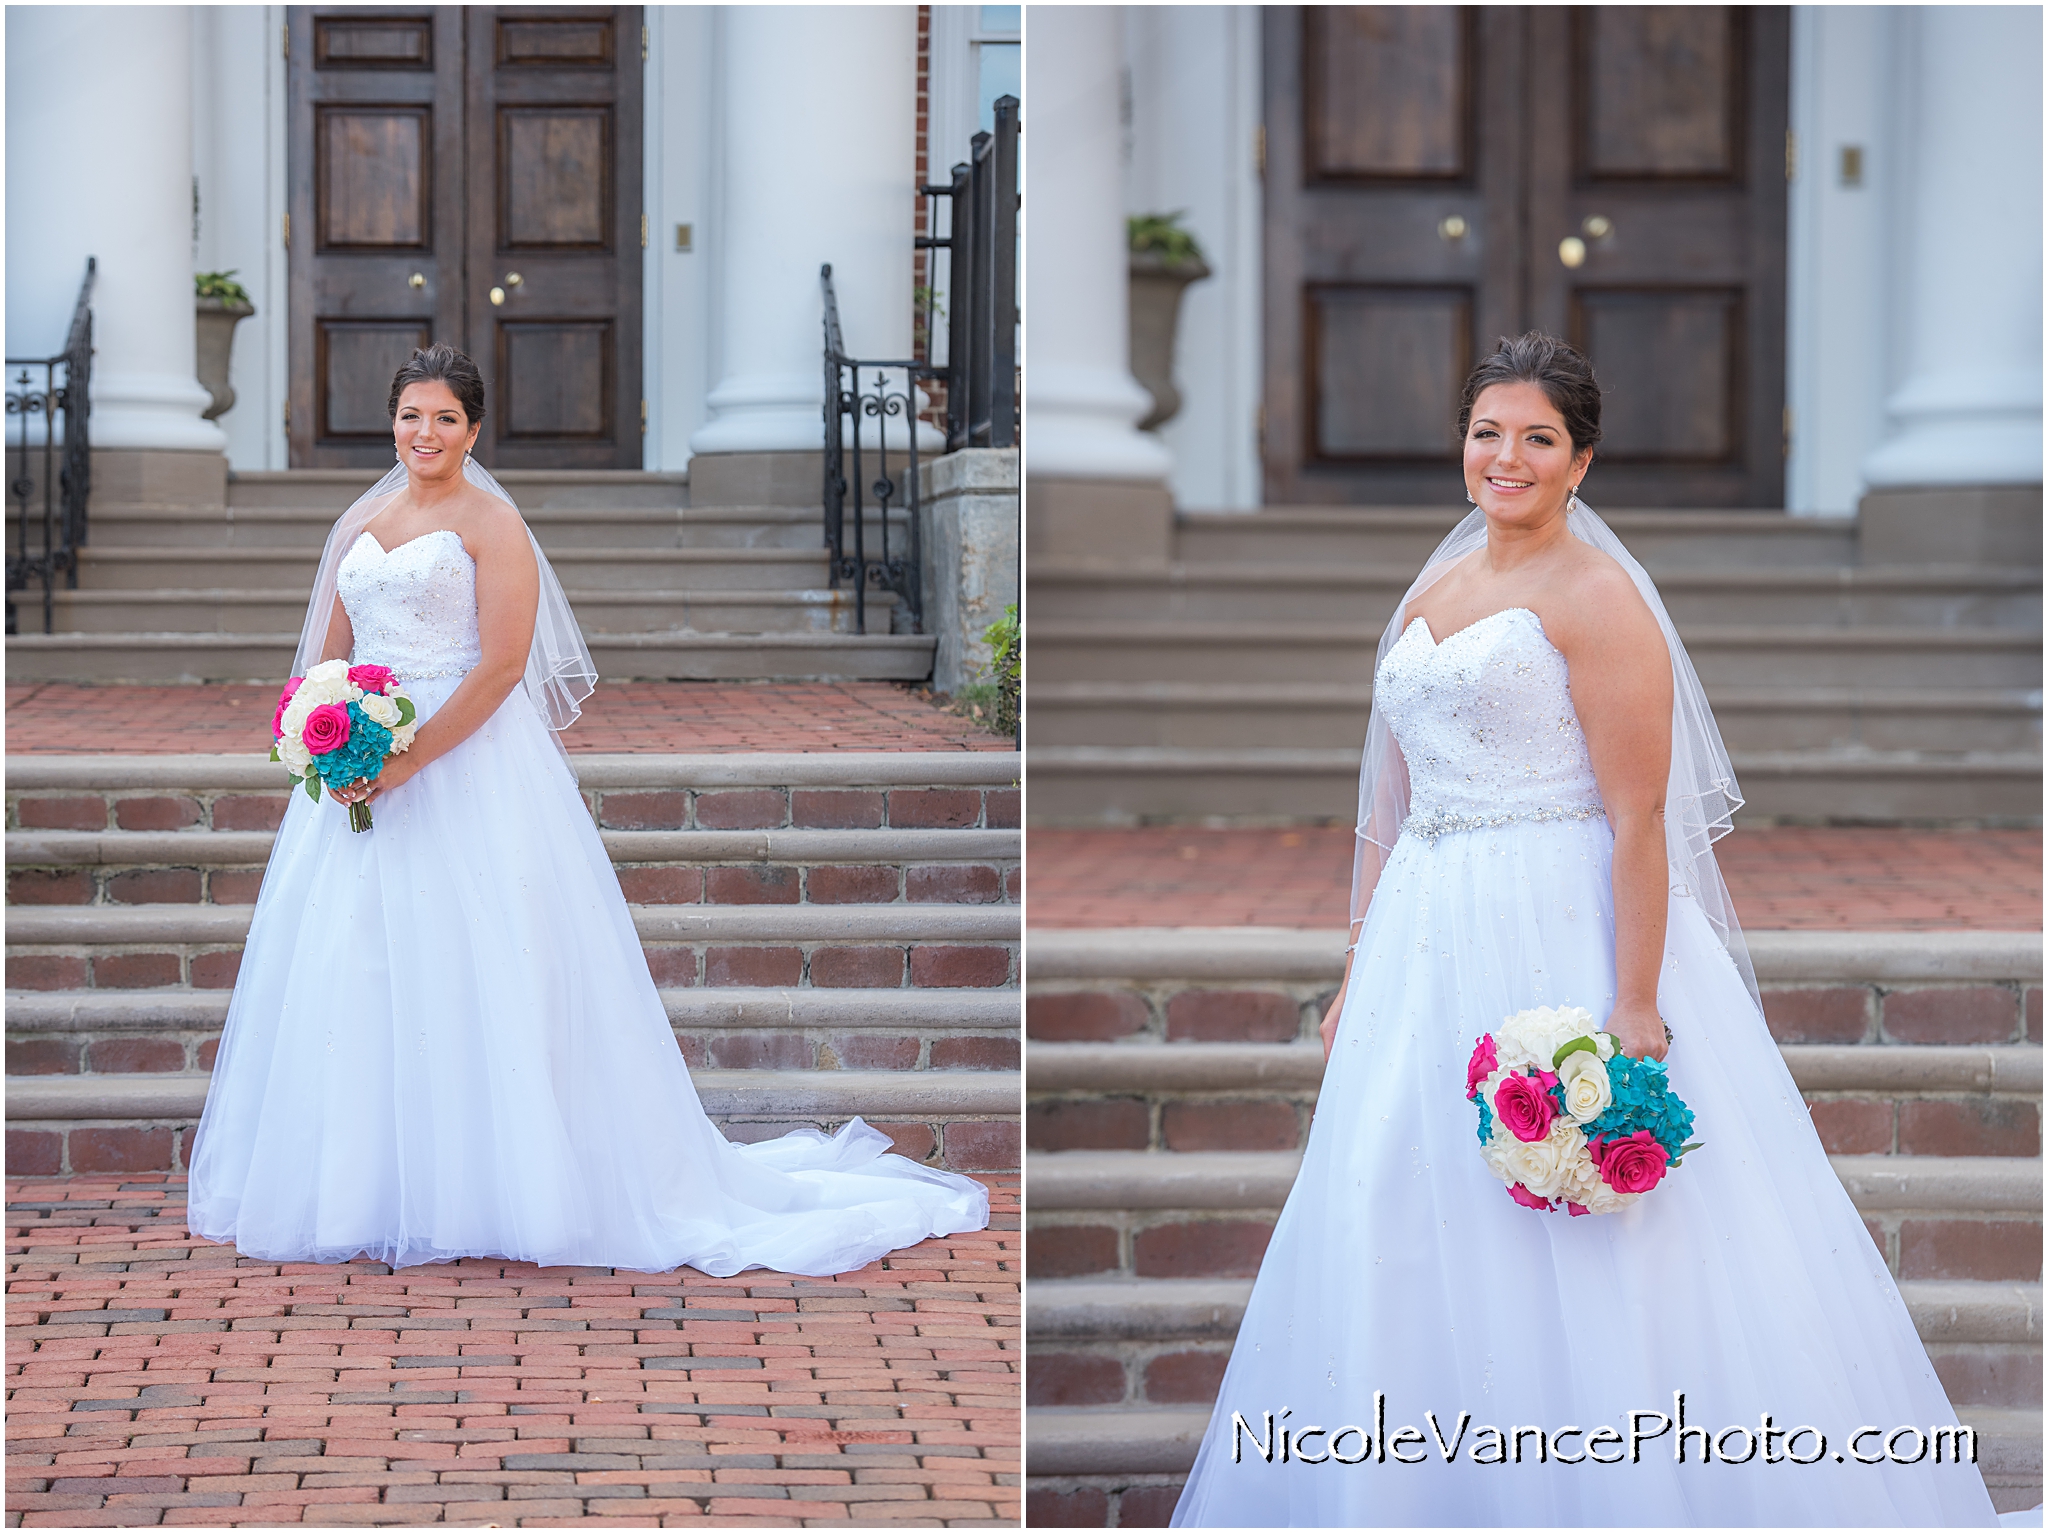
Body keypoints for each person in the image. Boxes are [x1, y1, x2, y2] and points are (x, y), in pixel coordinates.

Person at [1168, 334, 2002, 1527]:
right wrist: (1354, 967)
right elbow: (1384, 809)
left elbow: (1636, 818)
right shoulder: (1429, 591)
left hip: (1552, 917)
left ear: (1579, 462)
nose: (1504, 457)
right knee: (1396, 1204)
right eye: (1486, 432)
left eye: (1535, 439)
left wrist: (1632, 998)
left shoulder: (1596, 598)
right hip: (1421, 929)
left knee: (1596, 1237)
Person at [185, 343, 989, 1275]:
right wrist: (326, 736)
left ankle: (506, 1185)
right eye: (412, 415)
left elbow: (498, 669)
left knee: (483, 967)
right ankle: (378, 1184)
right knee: (356, 968)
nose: (426, 433)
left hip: (464, 765)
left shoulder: (494, 524)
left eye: (446, 418)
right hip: (360, 773)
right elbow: (321, 661)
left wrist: (404, 760)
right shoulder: (359, 521)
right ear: (391, 422)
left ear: (473, 430)